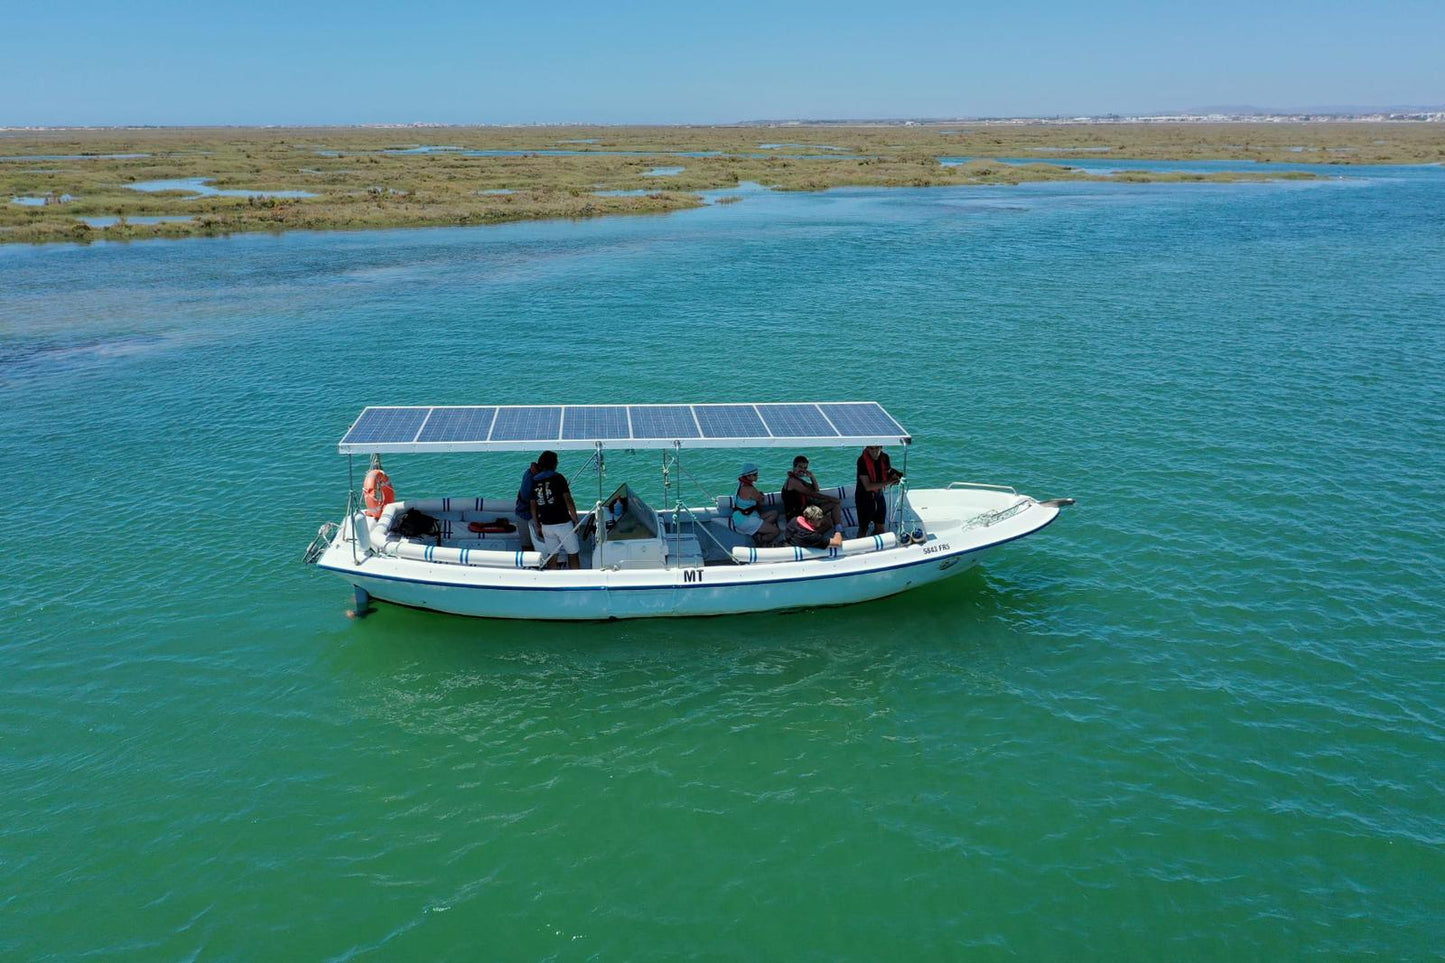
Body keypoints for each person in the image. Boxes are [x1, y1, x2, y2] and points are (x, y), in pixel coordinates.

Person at [528, 450, 582, 569]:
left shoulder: (535, 480)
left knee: (552, 555)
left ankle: (552, 578)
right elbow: (568, 501)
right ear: (554, 464)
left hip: (546, 525)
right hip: (563, 523)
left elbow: (533, 506)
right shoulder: (559, 478)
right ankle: (577, 579)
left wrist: (537, 525)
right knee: (573, 553)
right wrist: (576, 520)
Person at [781, 455, 843, 528]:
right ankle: (812, 536)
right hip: (797, 516)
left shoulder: (798, 480)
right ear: (794, 467)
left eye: (805, 468)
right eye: (800, 467)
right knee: (827, 521)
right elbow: (813, 494)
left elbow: (816, 490)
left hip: (806, 509)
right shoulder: (792, 481)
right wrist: (831, 498)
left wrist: (812, 477)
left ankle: (839, 528)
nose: (802, 470)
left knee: (834, 504)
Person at [855, 445, 902, 538]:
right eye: (871, 448)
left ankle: (878, 547)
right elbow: (868, 486)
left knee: (880, 528)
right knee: (863, 529)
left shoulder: (885, 457)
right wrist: (888, 482)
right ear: (867, 448)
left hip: (879, 496)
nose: (875, 451)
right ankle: (860, 549)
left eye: (877, 448)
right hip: (864, 498)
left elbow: (887, 471)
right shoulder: (861, 461)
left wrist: (896, 477)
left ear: (881, 448)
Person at [732, 463, 781, 546]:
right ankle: (760, 539)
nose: (757, 476)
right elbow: (761, 499)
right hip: (746, 520)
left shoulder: (740, 485)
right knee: (776, 531)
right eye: (754, 475)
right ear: (748, 476)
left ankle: (757, 531)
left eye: (756, 474)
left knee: (774, 513)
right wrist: (760, 494)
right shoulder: (750, 489)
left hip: (740, 516)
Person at [515, 457, 542, 550]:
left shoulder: (528, 472)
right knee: (529, 544)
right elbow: (533, 506)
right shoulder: (533, 483)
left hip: (521, 512)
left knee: (526, 543)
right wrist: (538, 525)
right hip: (526, 515)